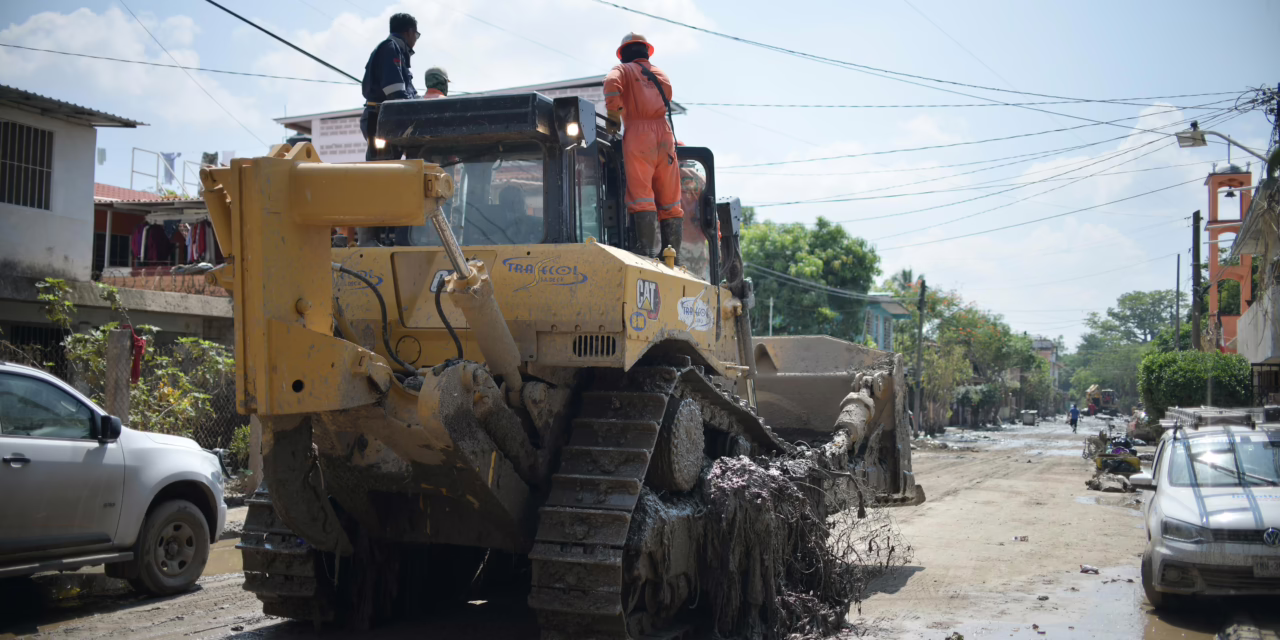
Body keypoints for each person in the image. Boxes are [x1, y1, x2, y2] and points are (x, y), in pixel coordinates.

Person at [603, 33, 683, 260]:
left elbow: (610, 84)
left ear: (624, 54)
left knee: (641, 193)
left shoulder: (623, 70)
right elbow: (667, 94)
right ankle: (672, 254)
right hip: (665, 134)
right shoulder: (660, 74)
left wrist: (613, 114)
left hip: (639, 133)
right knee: (670, 196)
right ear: (646, 51)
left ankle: (646, 249)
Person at [360, 12, 420, 162]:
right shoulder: (390, 49)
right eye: (416, 35)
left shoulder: (396, 50)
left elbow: (409, 94)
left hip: (388, 120)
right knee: (383, 171)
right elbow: (396, 93)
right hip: (381, 121)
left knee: (391, 169)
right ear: (410, 32)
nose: (415, 39)